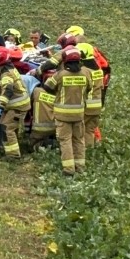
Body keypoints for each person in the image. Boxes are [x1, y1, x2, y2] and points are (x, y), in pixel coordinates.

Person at [43, 46, 92, 176]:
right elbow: (90, 88)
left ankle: (69, 169)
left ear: (65, 60)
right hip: (79, 114)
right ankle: (80, 167)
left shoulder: (60, 74)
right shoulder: (86, 73)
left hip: (62, 115)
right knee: (79, 140)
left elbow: (47, 87)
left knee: (65, 141)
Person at [0, 46, 31, 160]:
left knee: (8, 128)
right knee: (4, 126)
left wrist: (0, 105)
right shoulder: (7, 68)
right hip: (16, 104)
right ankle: (8, 149)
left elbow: (8, 89)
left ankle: (13, 155)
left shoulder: (6, 74)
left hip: (18, 105)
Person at [77, 43, 104, 148]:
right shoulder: (98, 69)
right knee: (90, 130)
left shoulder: (84, 71)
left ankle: (80, 152)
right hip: (97, 105)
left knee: (80, 130)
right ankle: (89, 151)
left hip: (87, 105)